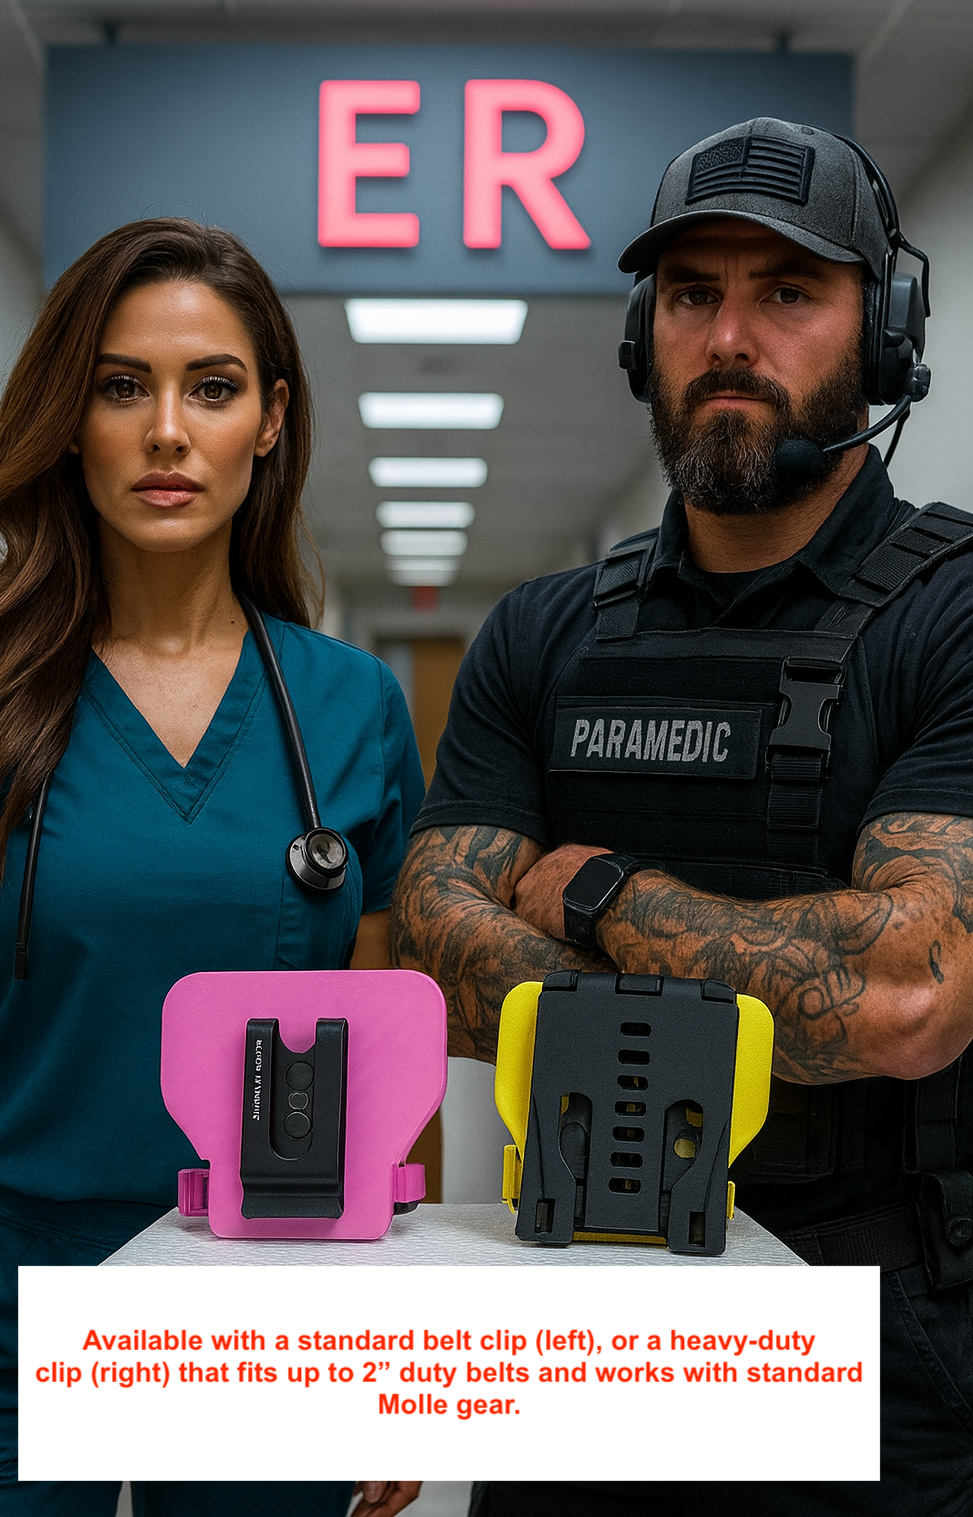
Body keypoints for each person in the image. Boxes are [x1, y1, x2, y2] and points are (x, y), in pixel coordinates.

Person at [391, 119, 973, 1516]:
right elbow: (430, 956)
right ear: (644, 335)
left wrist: (593, 896)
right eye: (693, 293)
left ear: (882, 332)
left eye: (788, 292)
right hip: (586, 1332)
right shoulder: (542, 632)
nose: (731, 335)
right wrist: (765, 978)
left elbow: (911, 994)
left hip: (867, 1369)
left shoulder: (952, 616)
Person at [0, 218, 424, 1517]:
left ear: (270, 420)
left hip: (273, 1287)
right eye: (121, 386)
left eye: (211, 388)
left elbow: (378, 1077)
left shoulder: (348, 710)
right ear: (72, 417)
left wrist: (393, 1357)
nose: (168, 431)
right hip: (11, 1294)